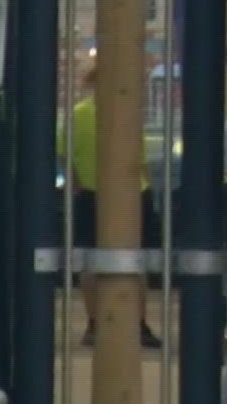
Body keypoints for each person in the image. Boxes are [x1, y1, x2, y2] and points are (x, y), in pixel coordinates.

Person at [62, 66, 163, 349]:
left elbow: (65, 157)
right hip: (132, 192)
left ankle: (94, 323)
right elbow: (139, 158)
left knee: (88, 260)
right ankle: (138, 324)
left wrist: (78, 185)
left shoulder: (77, 114)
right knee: (136, 259)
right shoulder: (128, 113)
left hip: (91, 192)